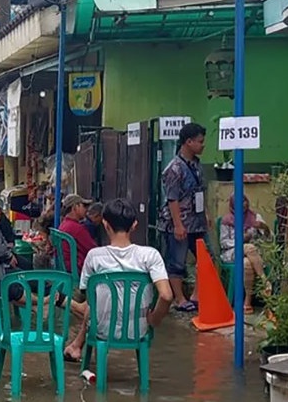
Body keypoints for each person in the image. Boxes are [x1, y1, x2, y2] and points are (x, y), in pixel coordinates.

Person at [63, 199, 174, 361]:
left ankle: (77, 345)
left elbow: (89, 297)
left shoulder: (95, 256)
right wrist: (154, 319)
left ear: (105, 224)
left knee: (94, 301)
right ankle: (76, 345)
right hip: (138, 330)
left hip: (101, 329)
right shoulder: (150, 255)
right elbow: (166, 296)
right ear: (134, 225)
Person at [158, 122, 208, 312]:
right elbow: (172, 199)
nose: (203, 145)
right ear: (188, 142)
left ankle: (196, 295)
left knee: (207, 257)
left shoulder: (196, 164)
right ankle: (179, 299)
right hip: (180, 223)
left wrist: (206, 215)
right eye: (200, 141)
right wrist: (178, 225)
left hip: (198, 221)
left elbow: (200, 190)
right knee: (177, 262)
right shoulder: (174, 168)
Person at [219, 194, 271, 314]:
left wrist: (264, 227)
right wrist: (240, 240)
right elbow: (223, 243)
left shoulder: (255, 218)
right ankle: (265, 281)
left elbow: (269, 239)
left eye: (245, 201)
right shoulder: (227, 220)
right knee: (249, 247)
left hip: (253, 257)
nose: (243, 204)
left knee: (246, 263)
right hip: (232, 252)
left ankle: (247, 302)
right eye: (240, 202)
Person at [58, 195, 97, 275]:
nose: (85, 210)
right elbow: (93, 249)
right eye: (83, 206)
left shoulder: (63, 225)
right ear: (75, 207)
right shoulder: (76, 228)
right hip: (78, 270)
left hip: (66, 268)